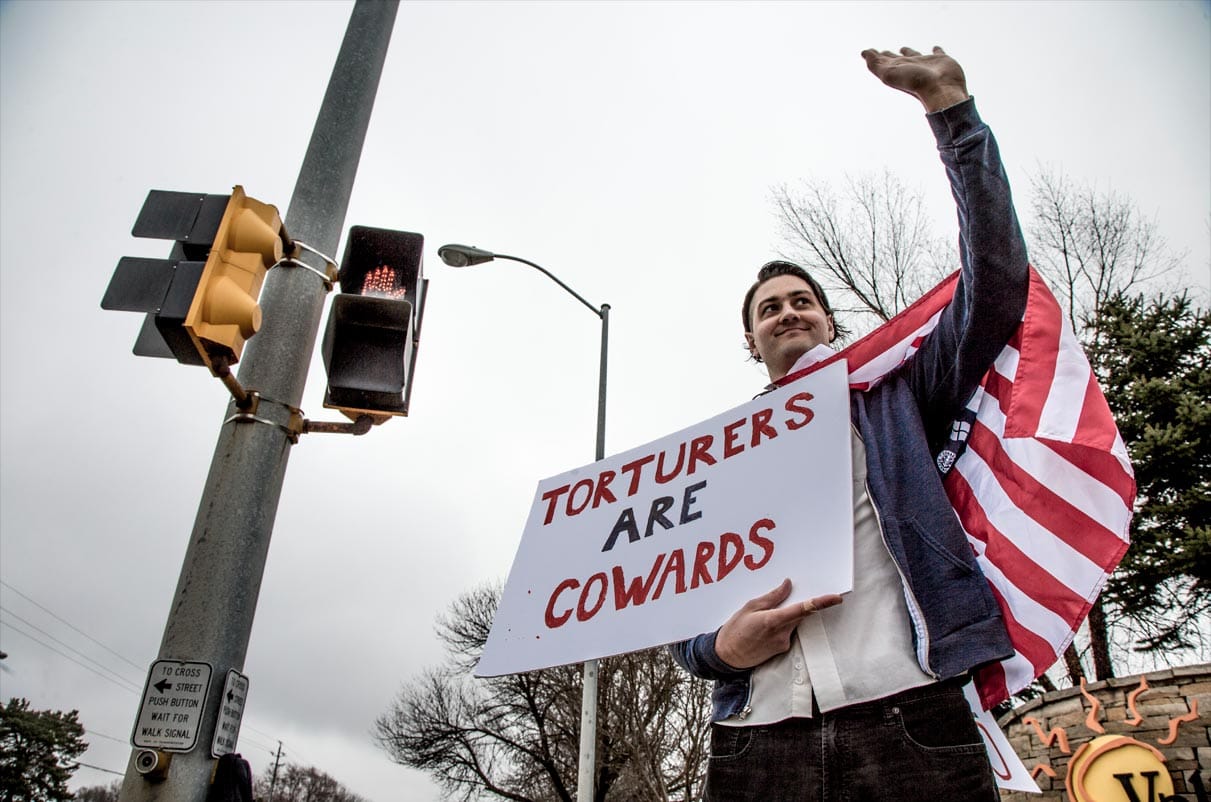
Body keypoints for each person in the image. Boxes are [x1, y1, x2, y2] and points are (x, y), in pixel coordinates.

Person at [669, 46, 1029, 801]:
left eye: (801, 301)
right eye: (769, 309)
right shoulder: (712, 460)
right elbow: (678, 618)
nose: (787, 312)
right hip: (755, 736)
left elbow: (995, 286)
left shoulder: (893, 399)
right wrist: (720, 651)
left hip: (910, 714)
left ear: (828, 321)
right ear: (751, 341)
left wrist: (951, 113)